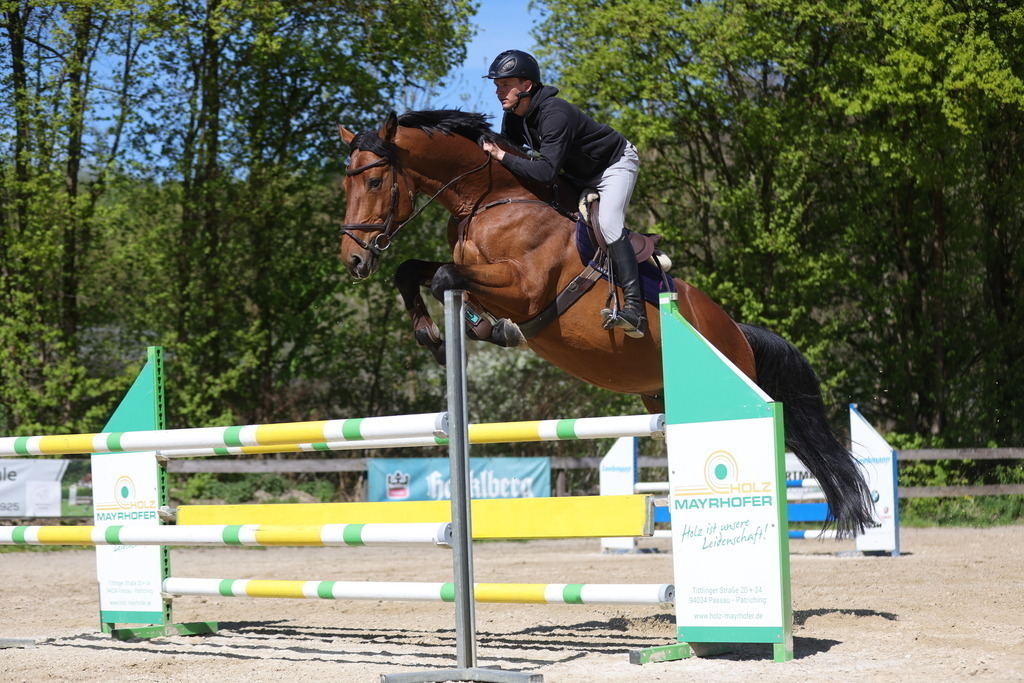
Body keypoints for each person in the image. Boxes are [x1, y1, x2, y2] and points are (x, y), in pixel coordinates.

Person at [480, 49, 646, 338]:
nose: (498, 91)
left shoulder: (555, 114)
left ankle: (635, 310)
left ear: (527, 86)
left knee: (608, 223)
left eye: (505, 85)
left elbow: (544, 173)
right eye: (496, 85)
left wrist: (501, 156)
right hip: (578, 175)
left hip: (613, 166)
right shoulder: (515, 117)